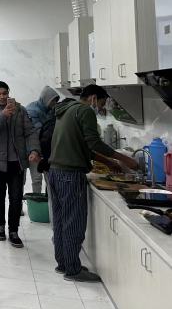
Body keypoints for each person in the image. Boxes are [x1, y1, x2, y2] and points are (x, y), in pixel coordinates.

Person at [49, 84, 139, 283]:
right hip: (70, 174)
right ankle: (73, 270)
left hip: (55, 172)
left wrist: (109, 162)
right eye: (101, 103)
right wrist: (124, 159)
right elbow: (94, 143)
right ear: (93, 98)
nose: (101, 107)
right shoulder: (84, 111)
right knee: (73, 223)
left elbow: (84, 147)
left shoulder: (67, 110)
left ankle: (64, 263)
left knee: (61, 221)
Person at [0, 81, 41, 248]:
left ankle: (13, 231)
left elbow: (30, 132)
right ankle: (0, 227)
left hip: (16, 163)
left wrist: (34, 150)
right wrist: (3, 115)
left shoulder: (20, 110)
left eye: (5, 93)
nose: (2, 97)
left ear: (9, 93)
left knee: (16, 198)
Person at [25, 86, 60, 193]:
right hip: (32, 149)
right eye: (53, 101)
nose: (54, 103)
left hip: (44, 149)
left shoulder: (50, 111)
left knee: (46, 177)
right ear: (46, 99)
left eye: (56, 101)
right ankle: (35, 201)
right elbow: (36, 132)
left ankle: (46, 201)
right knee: (36, 178)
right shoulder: (32, 110)